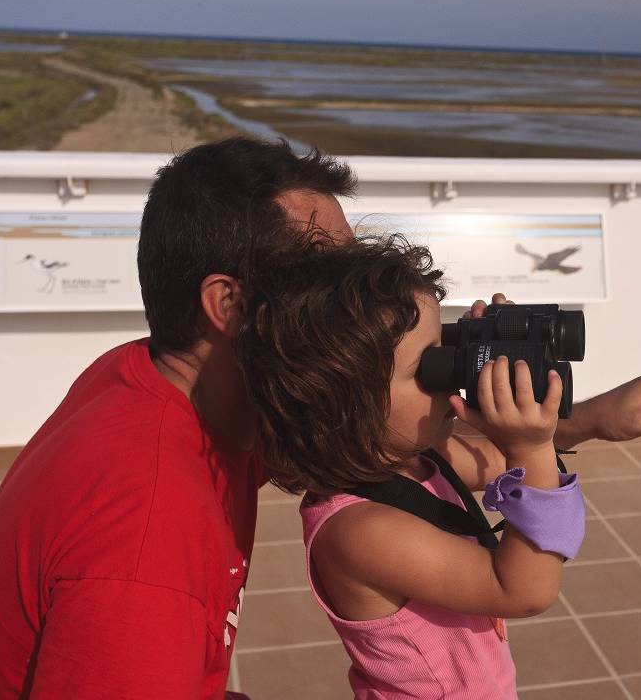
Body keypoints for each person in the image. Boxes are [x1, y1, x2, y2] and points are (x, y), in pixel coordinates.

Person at [0, 136, 641, 699]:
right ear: (229, 305)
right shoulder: (144, 536)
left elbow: (414, 442)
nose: (359, 296)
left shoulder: (157, 384)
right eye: (329, 273)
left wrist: (584, 417)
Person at [237, 232, 583, 698]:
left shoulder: (415, 458)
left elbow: (501, 460)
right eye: (430, 366)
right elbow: (523, 590)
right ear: (348, 405)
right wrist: (533, 449)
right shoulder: (361, 530)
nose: (453, 377)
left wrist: (602, 416)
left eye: (449, 344)